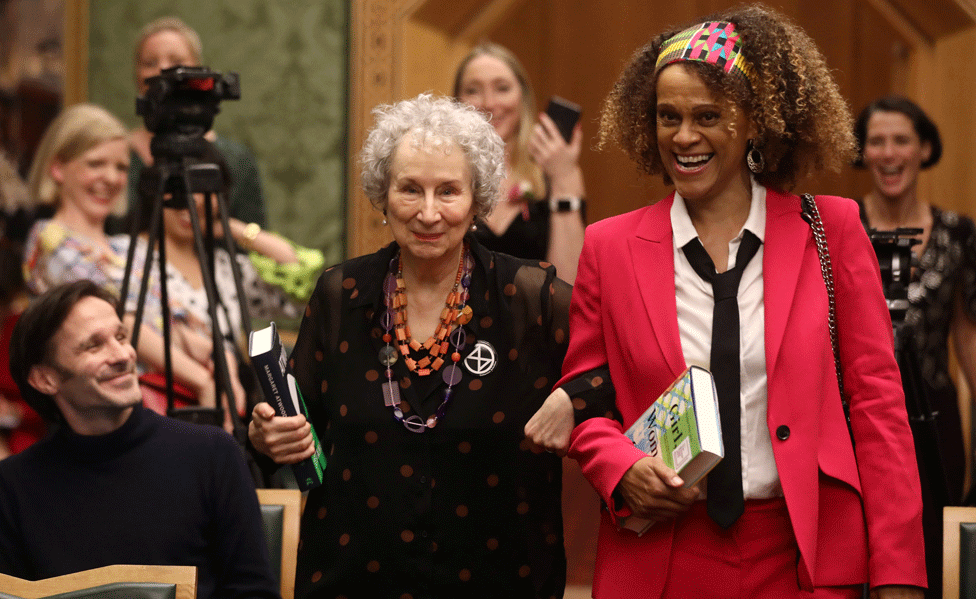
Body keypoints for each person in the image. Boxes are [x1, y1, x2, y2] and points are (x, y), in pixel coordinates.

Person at [525, 6, 925, 598]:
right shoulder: (610, 247)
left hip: (802, 558)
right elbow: (587, 394)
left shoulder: (832, 229)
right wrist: (619, 467)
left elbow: (878, 408)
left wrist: (899, 575)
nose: (684, 137)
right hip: (661, 555)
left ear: (755, 123)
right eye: (668, 117)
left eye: (707, 116)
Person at [249, 94, 573, 598]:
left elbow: (615, 367)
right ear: (383, 195)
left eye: (448, 191)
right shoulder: (342, 294)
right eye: (409, 189)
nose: (427, 212)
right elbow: (293, 423)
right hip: (352, 577)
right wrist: (268, 433)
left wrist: (573, 399)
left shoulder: (531, 298)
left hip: (498, 580)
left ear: (477, 198)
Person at [0, 280, 279, 599]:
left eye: (121, 336)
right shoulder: (13, 488)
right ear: (45, 379)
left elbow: (254, 591)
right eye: (94, 345)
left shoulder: (211, 453)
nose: (123, 355)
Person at [23, 103, 234, 418]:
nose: (110, 178)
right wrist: (203, 380)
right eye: (96, 164)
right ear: (58, 169)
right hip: (105, 410)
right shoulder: (50, 240)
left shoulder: (125, 245)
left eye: (121, 167)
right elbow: (124, 325)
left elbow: (179, 322)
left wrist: (225, 372)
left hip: (166, 399)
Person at [854, 94, 976, 597]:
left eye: (901, 140)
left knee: (929, 562)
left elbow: (968, 339)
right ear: (861, 152)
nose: (888, 153)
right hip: (856, 422)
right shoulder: (837, 228)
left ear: (924, 149)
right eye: (876, 141)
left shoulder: (957, 233)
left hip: (934, 423)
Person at [131, 144, 323, 414]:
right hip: (154, 407)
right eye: (181, 187)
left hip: (227, 411)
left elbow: (297, 284)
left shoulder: (224, 268)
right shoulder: (123, 256)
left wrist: (232, 227)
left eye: (203, 190)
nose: (193, 200)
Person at [454, 42, 585, 284]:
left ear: (522, 98)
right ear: (457, 102)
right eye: (473, 90)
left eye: (502, 88)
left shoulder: (555, 173)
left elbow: (569, 285)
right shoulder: (443, 176)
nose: (489, 103)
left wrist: (564, 179)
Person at [126, 16, 266, 228]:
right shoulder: (118, 155)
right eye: (150, 63)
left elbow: (257, 233)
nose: (163, 71)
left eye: (177, 63)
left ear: (198, 71)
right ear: (137, 75)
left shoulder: (236, 159)